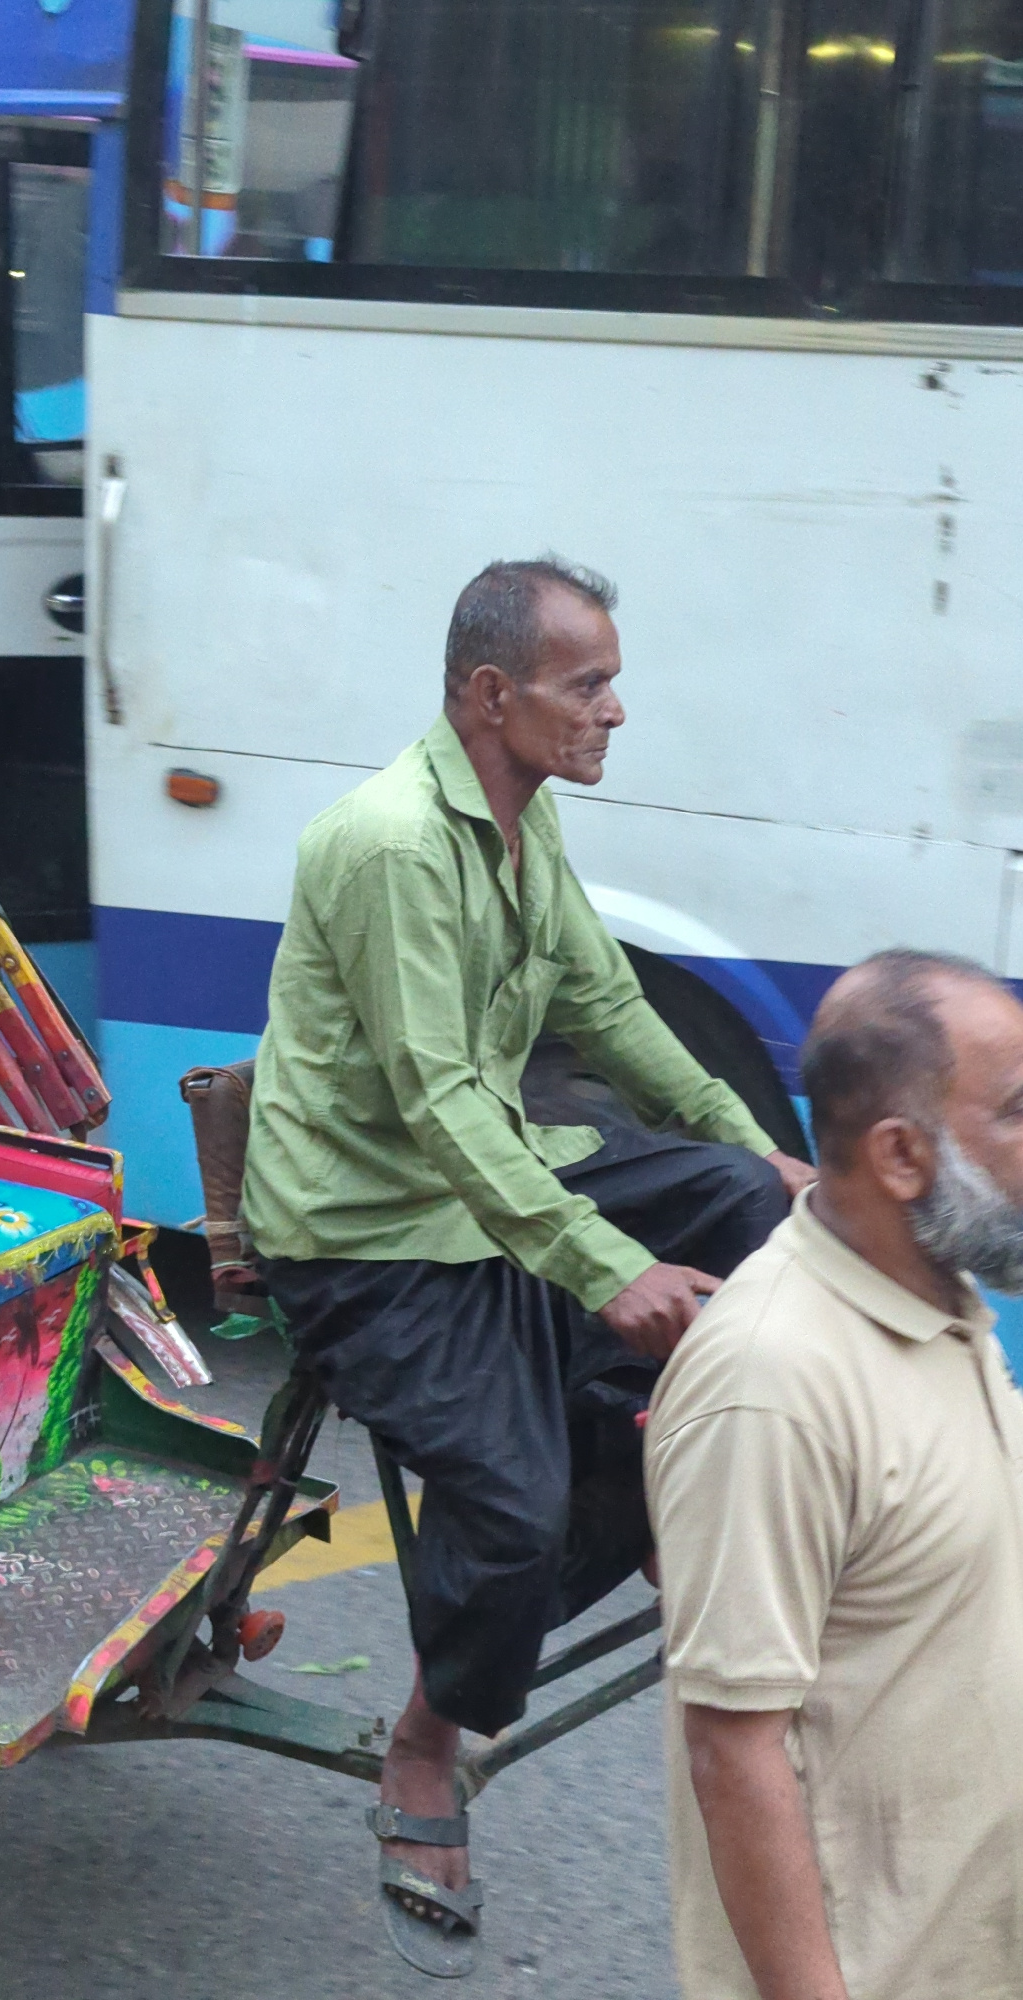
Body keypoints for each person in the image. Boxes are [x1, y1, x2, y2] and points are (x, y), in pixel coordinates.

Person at [243, 556, 811, 1974]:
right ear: (492, 694)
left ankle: (674, 1470)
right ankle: (426, 1744)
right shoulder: (391, 845)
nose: (615, 710)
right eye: (588, 683)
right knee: (514, 1507)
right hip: (371, 1241)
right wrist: (604, 1267)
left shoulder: (521, 817)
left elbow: (606, 1008)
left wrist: (758, 1145)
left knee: (742, 1195)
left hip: (492, 1185)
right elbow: (439, 1102)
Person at [645, 947, 1023, 2000]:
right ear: (902, 1155)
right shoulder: (770, 1382)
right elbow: (733, 1751)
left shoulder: (942, 1297)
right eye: (1017, 1110)